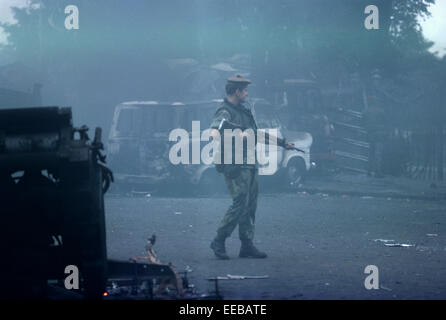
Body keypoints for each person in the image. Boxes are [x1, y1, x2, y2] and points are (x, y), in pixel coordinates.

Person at [208, 74, 293, 260]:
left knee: (250, 205)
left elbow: (256, 134)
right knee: (239, 203)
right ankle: (219, 240)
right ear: (236, 91)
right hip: (235, 165)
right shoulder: (225, 111)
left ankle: (246, 245)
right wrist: (236, 136)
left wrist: (282, 143)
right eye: (244, 90)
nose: (246, 93)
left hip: (250, 163)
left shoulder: (244, 111)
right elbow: (215, 131)